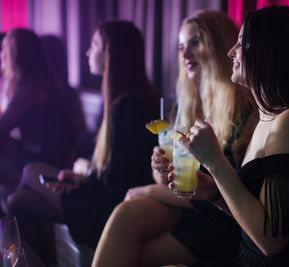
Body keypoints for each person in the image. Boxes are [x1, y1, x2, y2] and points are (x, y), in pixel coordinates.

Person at [168, 5, 289, 267]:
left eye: (242, 43)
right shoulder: (269, 120)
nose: (231, 52)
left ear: (271, 52)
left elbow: (271, 241)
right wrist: (214, 194)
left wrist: (215, 161)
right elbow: (255, 217)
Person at [92, 10, 257, 267]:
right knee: (124, 215)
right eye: (181, 46)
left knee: (133, 254)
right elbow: (178, 180)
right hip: (187, 208)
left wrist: (147, 189)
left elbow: (219, 192)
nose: (185, 54)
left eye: (194, 42)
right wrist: (160, 171)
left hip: (219, 219)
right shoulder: (188, 104)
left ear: (220, 45)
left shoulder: (244, 110)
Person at [7, 21, 159, 263]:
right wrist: (80, 178)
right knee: (18, 200)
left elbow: (119, 184)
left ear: (112, 53)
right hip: (100, 195)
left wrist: (82, 177)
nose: (88, 52)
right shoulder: (123, 99)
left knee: (28, 175)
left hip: (107, 209)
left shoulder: (129, 105)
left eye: (95, 45)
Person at [0, 29, 75, 203]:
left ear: (15, 54)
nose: (1, 54)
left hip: (44, 163)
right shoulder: (45, 83)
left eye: (4, 49)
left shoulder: (28, 89)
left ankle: (8, 217)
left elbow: (3, 126)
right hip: (52, 158)